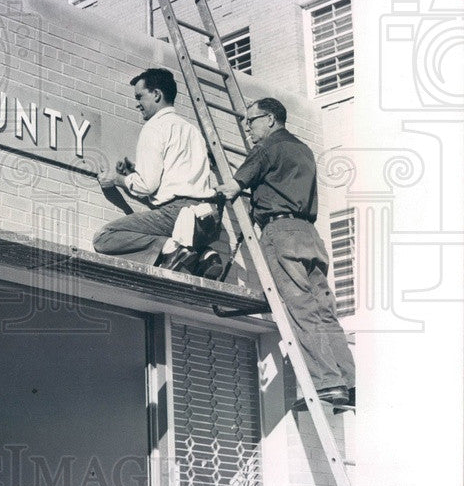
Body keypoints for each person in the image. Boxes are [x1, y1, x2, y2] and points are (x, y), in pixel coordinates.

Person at [215, 97, 355, 409]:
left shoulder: (266, 148)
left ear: (269, 119)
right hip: (310, 236)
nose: (247, 128)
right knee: (324, 311)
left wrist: (217, 188)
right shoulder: (303, 149)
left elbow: (233, 186)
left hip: (281, 234)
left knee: (300, 309)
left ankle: (328, 383)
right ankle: (349, 382)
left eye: (250, 121)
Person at [93, 68, 223, 278]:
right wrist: (134, 172)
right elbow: (177, 174)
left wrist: (116, 179)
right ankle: (204, 254)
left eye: (139, 96)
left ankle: (172, 248)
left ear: (156, 94)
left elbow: (147, 186)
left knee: (105, 237)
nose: (137, 103)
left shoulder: (154, 127)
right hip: (207, 219)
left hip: (178, 214)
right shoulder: (191, 130)